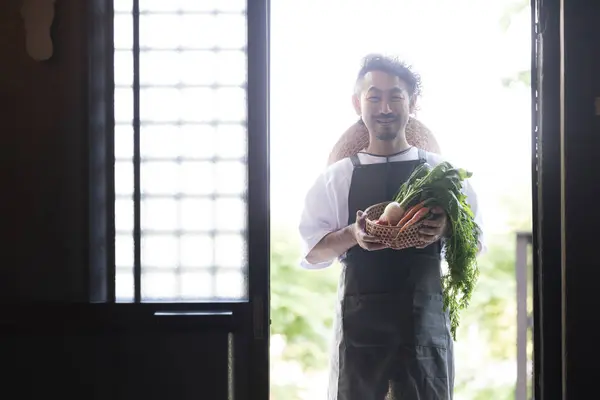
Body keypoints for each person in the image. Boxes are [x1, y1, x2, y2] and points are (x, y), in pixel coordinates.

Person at [298, 54, 485, 400]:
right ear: (358, 103)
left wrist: (446, 228)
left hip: (425, 328)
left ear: (412, 103)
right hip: (360, 333)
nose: (385, 107)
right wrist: (353, 234)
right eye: (374, 96)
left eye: (395, 96)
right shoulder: (337, 177)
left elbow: (476, 241)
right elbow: (312, 250)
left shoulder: (440, 172)